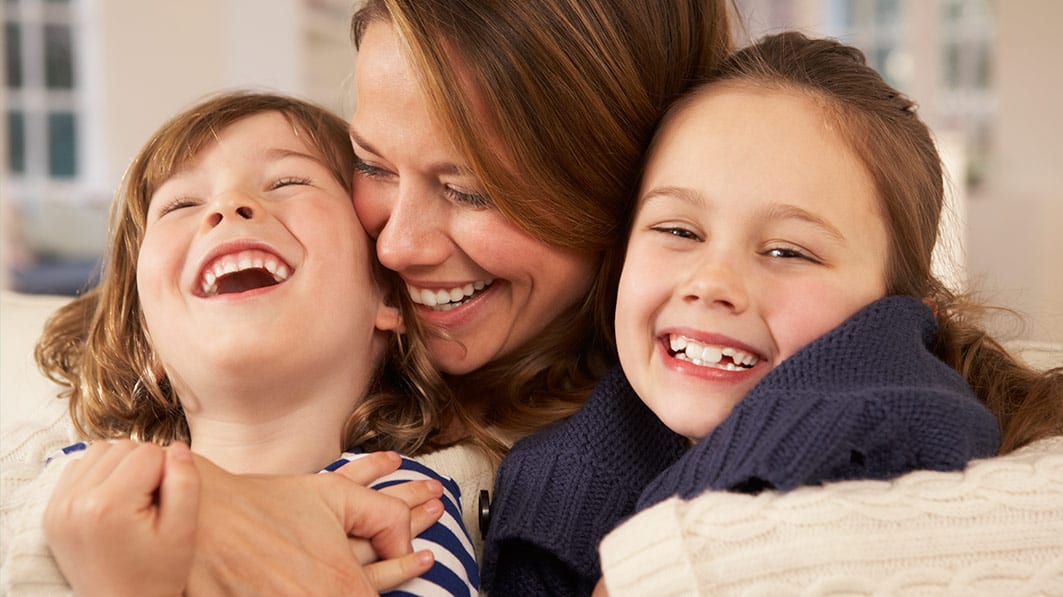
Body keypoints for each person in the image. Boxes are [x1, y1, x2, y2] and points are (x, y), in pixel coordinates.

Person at [166, 1, 736, 590]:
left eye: (470, 191)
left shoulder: (660, 479)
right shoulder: (180, 361)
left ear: (624, 192)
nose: (397, 247)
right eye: (373, 164)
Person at [481, 31, 1063, 595]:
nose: (712, 283)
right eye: (678, 230)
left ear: (898, 319)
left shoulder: (911, 449)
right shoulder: (557, 461)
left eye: (787, 251)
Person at [8, 91, 478, 596]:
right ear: (144, 339)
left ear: (386, 293)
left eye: (288, 181)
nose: (229, 206)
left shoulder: (402, 505)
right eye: (181, 204)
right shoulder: (74, 474)